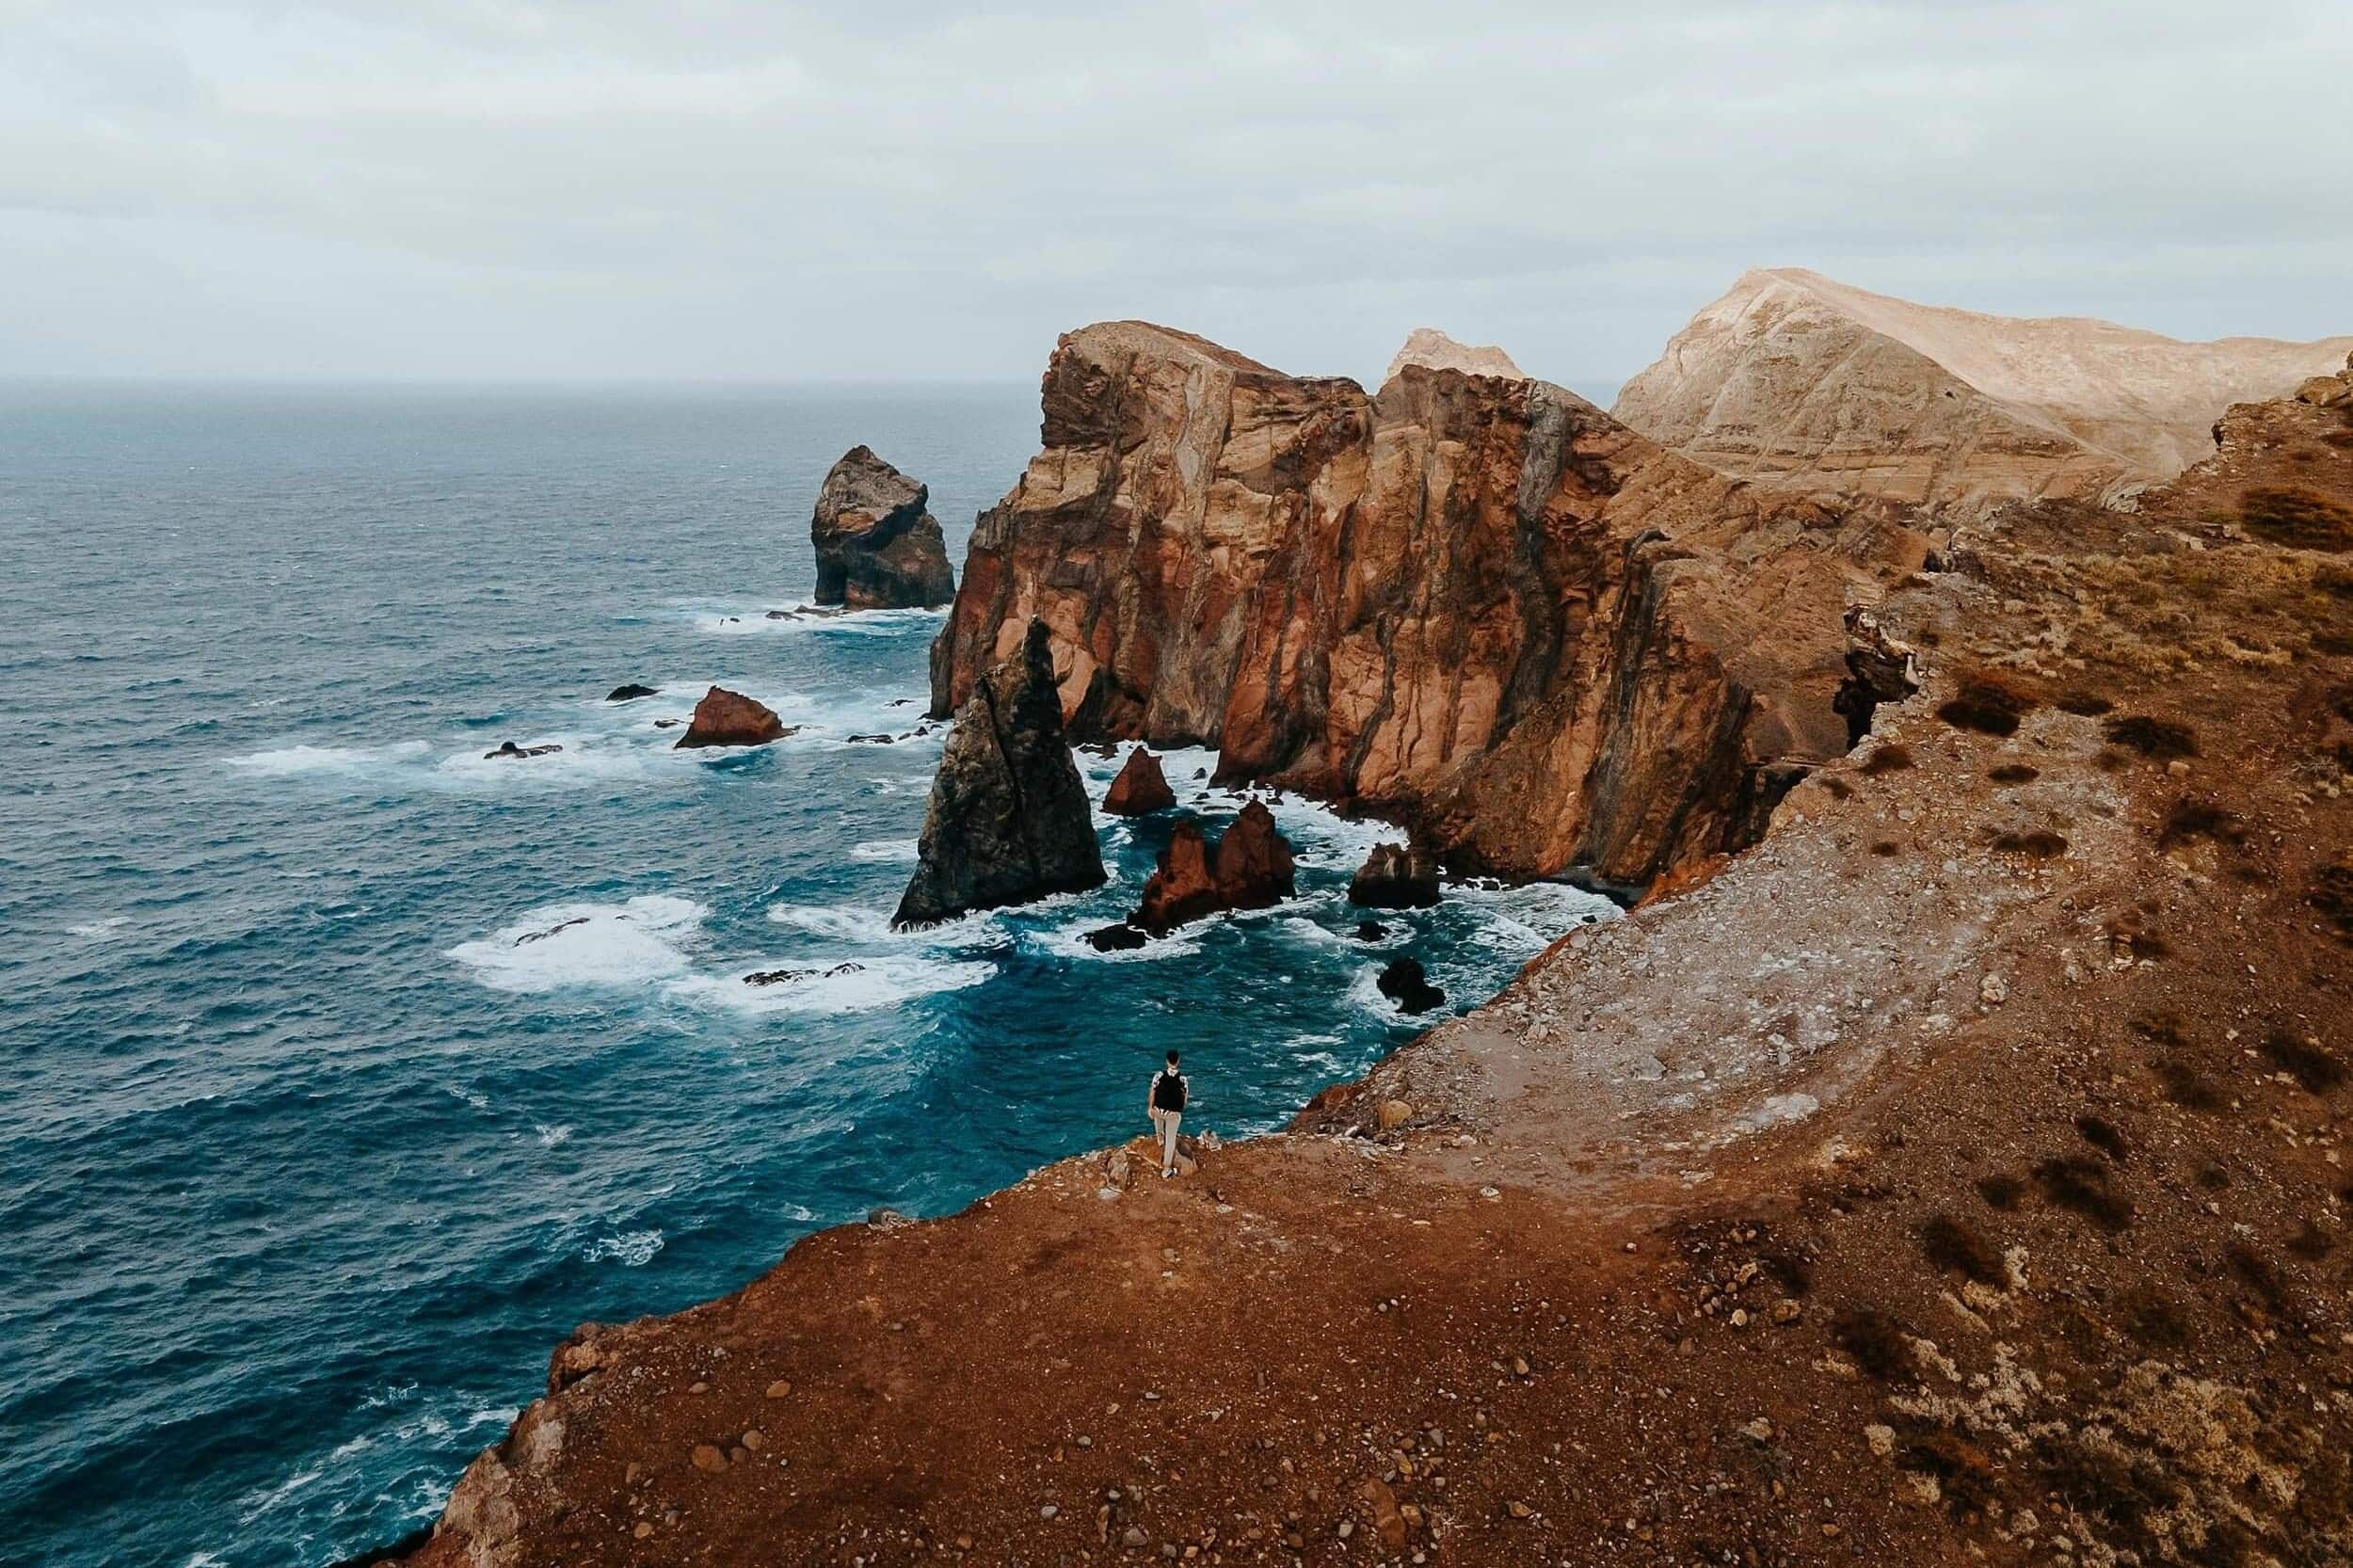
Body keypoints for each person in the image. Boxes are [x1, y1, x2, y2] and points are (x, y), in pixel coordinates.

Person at [1146, 1049, 1189, 1178]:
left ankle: (1160, 1138)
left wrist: (1150, 1108)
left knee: (1158, 1117)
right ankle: (1166, 1169)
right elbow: (1185, 1097)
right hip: (1172, 1115)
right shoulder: (1183, 1079)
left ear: (1166, 1061)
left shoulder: (1159, 1075)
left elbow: (1153, 1091)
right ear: (1178, 1061)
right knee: (1171, 1141)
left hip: (1158, 1111)